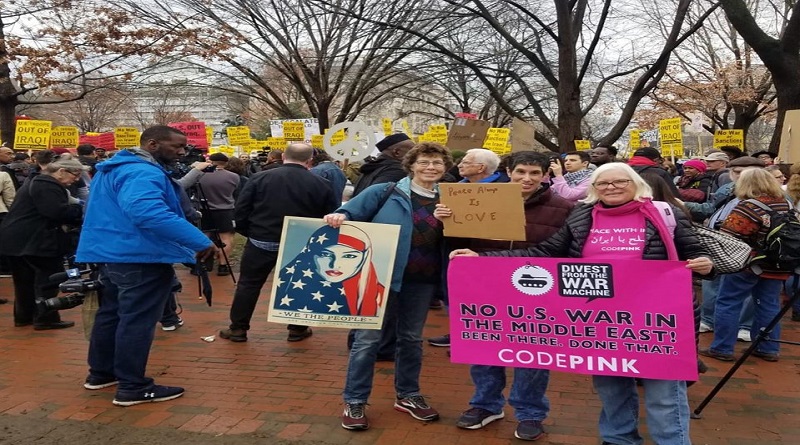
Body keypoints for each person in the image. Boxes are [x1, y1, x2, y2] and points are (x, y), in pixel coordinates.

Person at [451, 162, 714, 445]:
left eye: (620, 182)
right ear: (593, 188)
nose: (611, 187)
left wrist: (706, 265)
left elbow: (698, 254)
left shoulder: (665, 213)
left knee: (664, 394)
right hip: (600, 320)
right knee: (611, 387)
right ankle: (618, 438)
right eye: (603, 183)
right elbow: (546, 251)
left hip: (657, 320)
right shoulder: (582, 215)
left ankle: (672, 442)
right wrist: (482, 259)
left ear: (636, 183)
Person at [436, 151, 573, 441]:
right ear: (508, 171)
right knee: (484, 346)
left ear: (545, 175)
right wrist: (445, 221)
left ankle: (531, 412)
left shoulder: (563, 207)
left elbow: (562, 252)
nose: (527, 178)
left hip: (535, 290)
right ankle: (486, 404)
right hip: (486, 286)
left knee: (533, 353)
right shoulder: (480, 197)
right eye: (521, 171)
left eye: (535, 173)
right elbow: (460, 242)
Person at [77, 126, 216, 406]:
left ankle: (101, 373)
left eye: (184, 146)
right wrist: (199, 241)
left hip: (113, 253)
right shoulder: (142, 171)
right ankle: (132, 386)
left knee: (112, 315)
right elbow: (147, 212)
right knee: (135, 321)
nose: (182, 152)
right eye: (176, 146)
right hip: (139, 256)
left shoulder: (114, 168)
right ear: (152, 144)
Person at [325, 142, 453, 431]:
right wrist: (339, 216)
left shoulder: (453, 198)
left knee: (410, 339)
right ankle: (355, 400)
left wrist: (452, 220)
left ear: (445, 168)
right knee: (367, 340)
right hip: (379, 277)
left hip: (422, 281)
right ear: (411, 165)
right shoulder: (386, 192)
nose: (430, 168)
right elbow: (349, 213)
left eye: (436, 163)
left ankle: (408, 395)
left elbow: (468, 234)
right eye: (424, 162)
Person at [220, 142, 339, 343]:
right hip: (299, 243)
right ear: (310, 160)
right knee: (301, 284)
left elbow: (241, 210)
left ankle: (238, 328)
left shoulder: (259, 178)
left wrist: (250, 232)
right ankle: (297, 329)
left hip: (261, 240)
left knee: (248, 285)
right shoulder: (321, 183)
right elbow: (329, 215)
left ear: (283, 156)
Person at [700, 168, 792, 363]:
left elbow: (729, 236)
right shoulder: (785, 204)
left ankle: (722, 347)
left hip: (747, 263)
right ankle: (768, 347)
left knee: (728, 302)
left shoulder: (747, 206)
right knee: (768, 304)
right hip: (777, 263)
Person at [0, 155, 85, 327]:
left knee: (24, 280)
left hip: (17, 238)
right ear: (61, 171)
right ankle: (45, 317)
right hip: (36, 240)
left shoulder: (36, 181)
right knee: (48, 279)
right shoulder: (47, 185)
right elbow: (56, 212)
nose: (76, 180)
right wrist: (78, 210)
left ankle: (24, 316)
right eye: (75, 175)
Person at [273, 224, 385, 316]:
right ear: (310, 253)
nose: (335, 264)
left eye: (349, 256)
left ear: (365, 258)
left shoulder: (380, 296)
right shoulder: (286, 285)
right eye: (325, 254)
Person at [196, 153, 240, 276]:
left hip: (204, 210)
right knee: (226, 238)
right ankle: (222, 265)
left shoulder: (200, 175)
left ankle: (202, 263)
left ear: (210, 161)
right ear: (225, 163)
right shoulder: (234, 176)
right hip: (225, 210)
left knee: (204, 236)